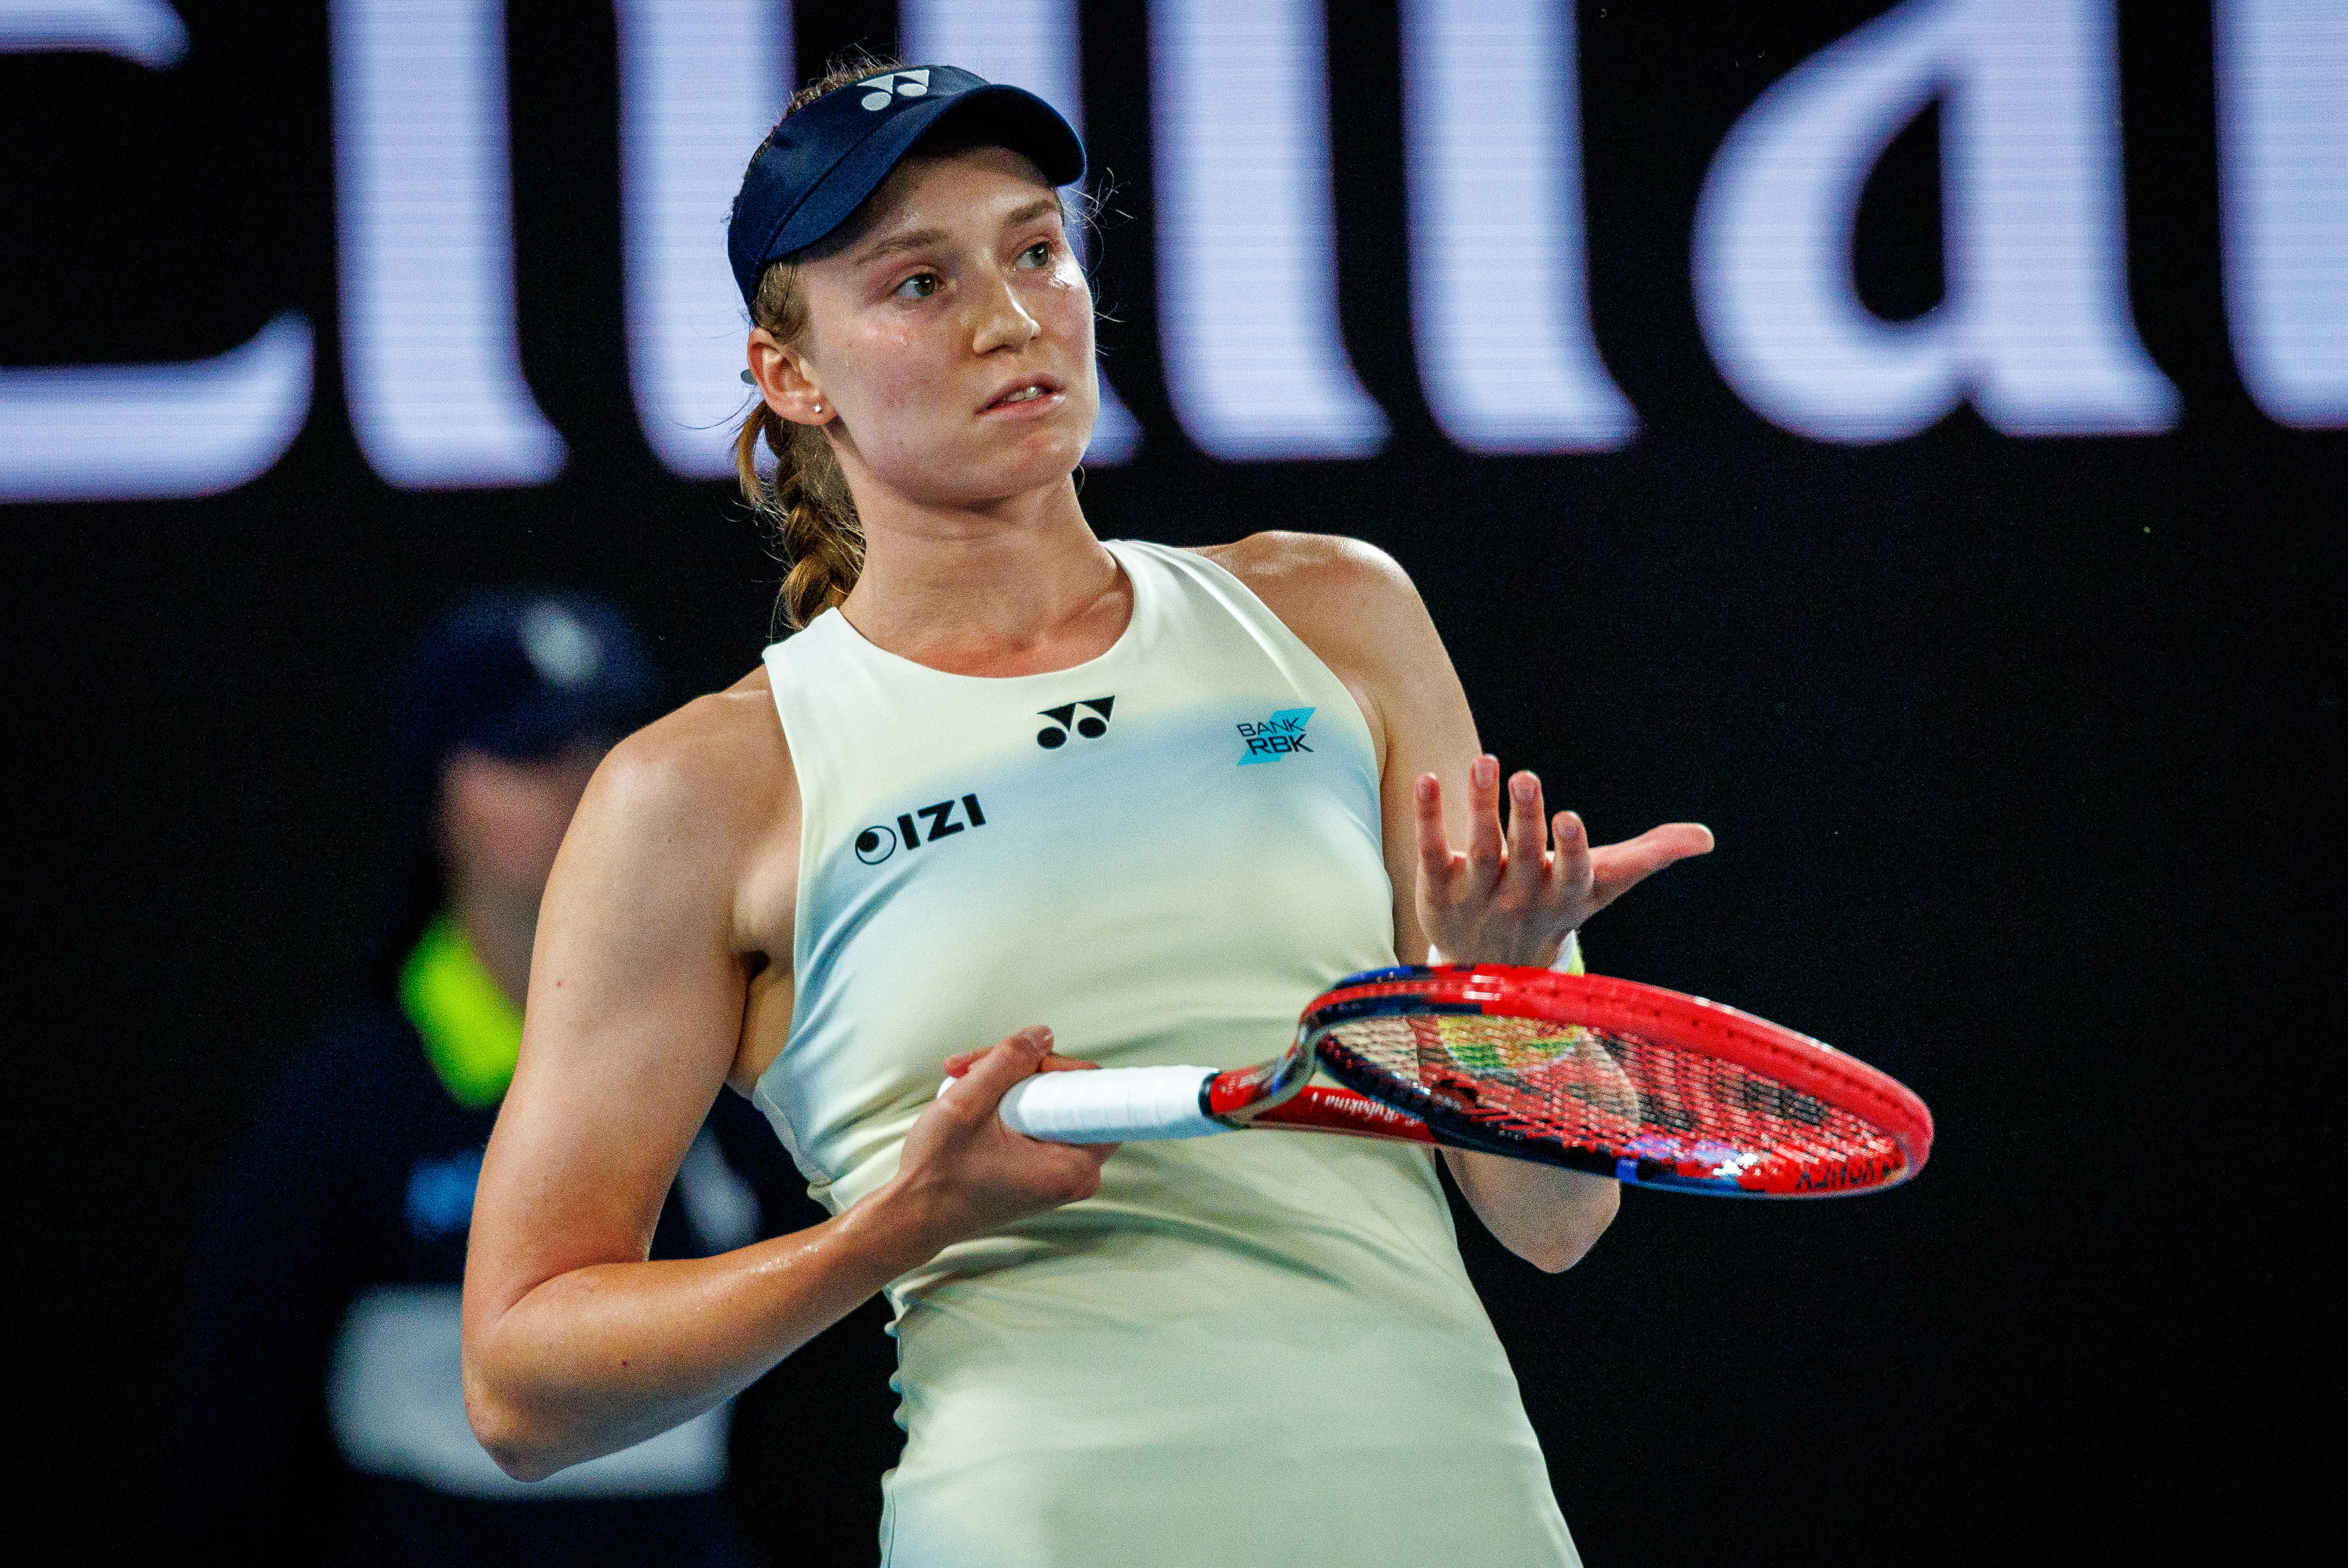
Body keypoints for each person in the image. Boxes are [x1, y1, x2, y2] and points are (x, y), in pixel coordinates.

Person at [461, 62, 1713, 1566]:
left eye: (1036, 248)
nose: (1011, 317)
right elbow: (522, 1381)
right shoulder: (702, 792)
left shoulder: (1338, 612)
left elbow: (1556, 1220)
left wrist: (1495, 994)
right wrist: (888, 1229)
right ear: (791, 373)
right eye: (919, 281)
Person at [176, 592, 778, 1566]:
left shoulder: (734, 1073)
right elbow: (238, 1454)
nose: (585, 786)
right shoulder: (341, 1112)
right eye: (530, 753)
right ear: (435, 797)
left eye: (612, 747)